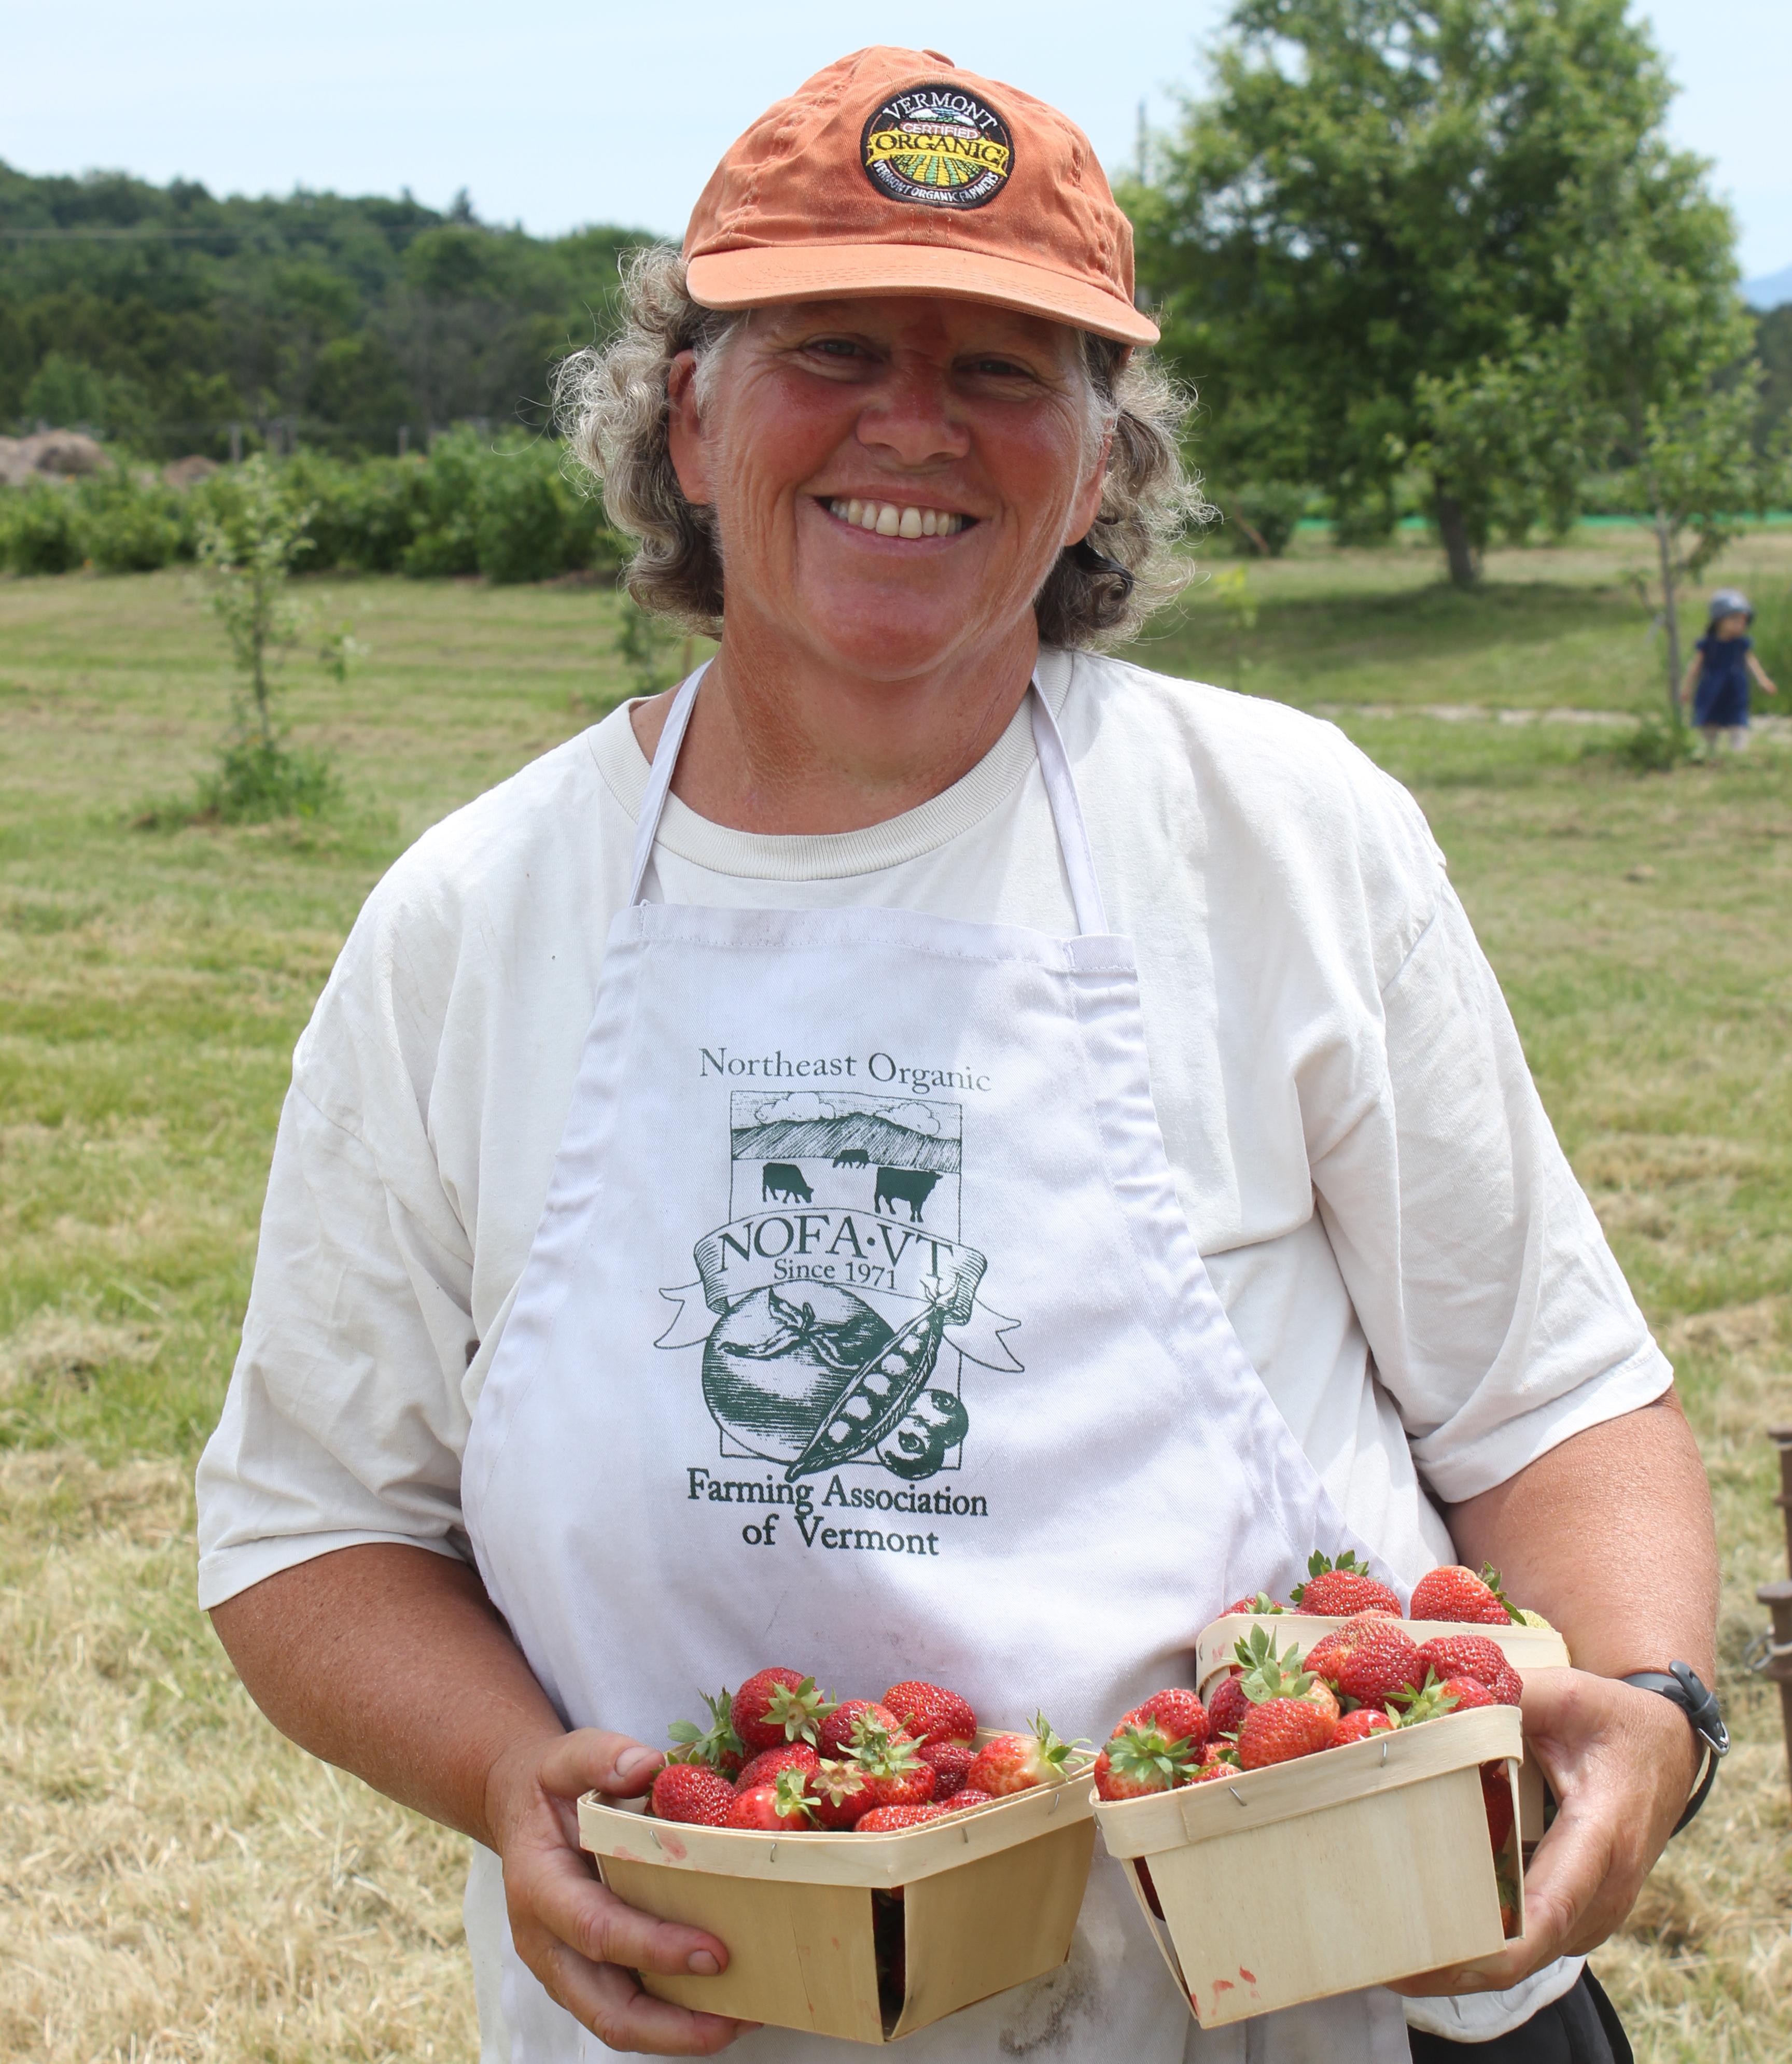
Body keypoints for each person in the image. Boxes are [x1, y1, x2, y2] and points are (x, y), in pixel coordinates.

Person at [195, 46, 1719, 2064]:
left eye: (1007, 368)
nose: (912, 421)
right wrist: (504, 1773)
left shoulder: (1277, 825)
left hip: (1347, 1980)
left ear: (1101, 464)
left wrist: (1640, 1707)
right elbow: (314, 1520)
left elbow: (1550, 1397)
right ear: (691, 410)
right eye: (832, 343)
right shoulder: (480, 918)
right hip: (736, 2008)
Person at [1679, 586, 1776, 753]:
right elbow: (1696, 666)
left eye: (1743, 620)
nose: (1740, 624)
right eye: (1734, 619)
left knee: (1738, 723)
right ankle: (1709, 754)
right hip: (1712, 690)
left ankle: (1738, 755)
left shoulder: (1741, 645)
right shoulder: (1708, 644)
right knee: (1710, 723)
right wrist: (1687, 687)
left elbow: (1751, 663)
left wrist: (1763, 680)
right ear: (1719, 621)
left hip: (1735, 691)